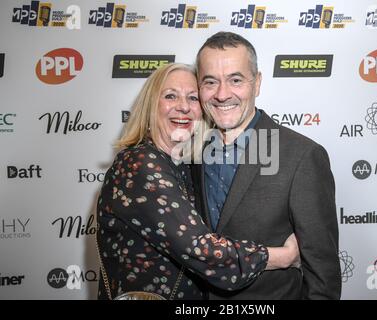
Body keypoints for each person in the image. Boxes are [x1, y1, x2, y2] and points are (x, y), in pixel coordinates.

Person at [96, 63, 300, 300]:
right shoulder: (140, 163)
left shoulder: (182, 164)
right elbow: (201, 250)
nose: (183, 107)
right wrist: (284, 257)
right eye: (170, 96)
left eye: (193, 98)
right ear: (151, 106)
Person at [192, 32, 341, 299]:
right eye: (210, 82)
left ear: (257, 83)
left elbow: (323, 277)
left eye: (236, 80)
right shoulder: (191, 152)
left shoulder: (302, 156)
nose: (222, 94)